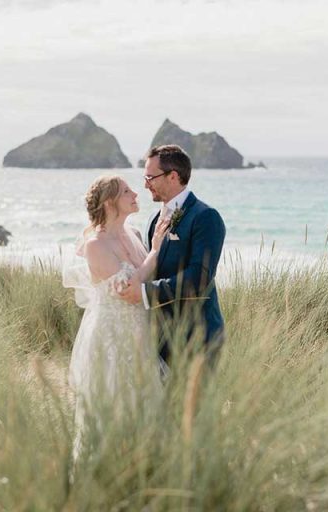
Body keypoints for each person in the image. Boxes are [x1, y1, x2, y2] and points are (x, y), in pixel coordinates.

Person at [63, 175, 169, 461]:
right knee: (112, 403)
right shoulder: (95, 245)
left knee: (144, 404)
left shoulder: (134, 234)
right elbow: (126, 288)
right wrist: (157, 251)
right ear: (110, 202)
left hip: (140, 333)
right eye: (126, 191)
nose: (136, 193)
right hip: (111, 337)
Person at [118, 144, 226, 368]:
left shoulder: (205, 217)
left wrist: (146, 292)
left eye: (150, 177)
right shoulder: (153, 220)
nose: (145, 185)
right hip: (159, 339)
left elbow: (199, 277)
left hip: (197, 337)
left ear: (173, 176)